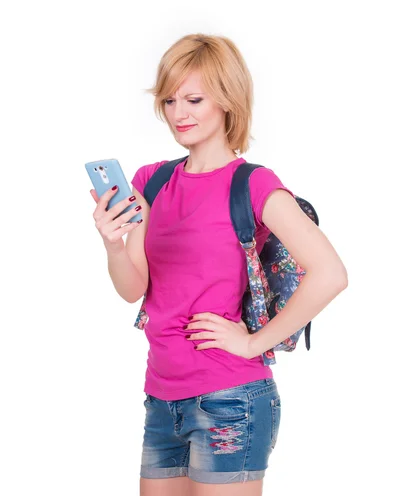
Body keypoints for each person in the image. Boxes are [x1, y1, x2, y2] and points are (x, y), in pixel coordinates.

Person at [90, 33, 348, 495]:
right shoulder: (152, 180)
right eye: (169, 100)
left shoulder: (253, 184)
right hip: (161, 397)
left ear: (227, 100)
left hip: (231, 400)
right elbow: (133, 289)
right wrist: (113, 245)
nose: (178, 114)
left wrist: (254, 344)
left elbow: (330, 273)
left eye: (193, 99)